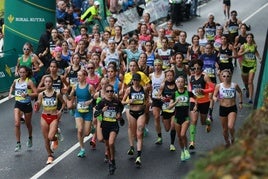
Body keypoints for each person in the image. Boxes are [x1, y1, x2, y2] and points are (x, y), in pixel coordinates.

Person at [34, 75, 66, 164]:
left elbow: (64, 103)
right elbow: (38, 105)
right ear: (44, 83)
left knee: (50, 137)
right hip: (44, 116)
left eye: (49, 82)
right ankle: (49, 155)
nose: (48, 83)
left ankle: (55, 137)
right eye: (46, 82)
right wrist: (36, 105)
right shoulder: (41, 94)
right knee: (46, 139)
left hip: (53, 117)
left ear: (52, 83)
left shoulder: (57, 93)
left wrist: (60, 111)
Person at [95, 84, 124, 175]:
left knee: (111, 142)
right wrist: (102, 111)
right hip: (105, 126)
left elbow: (120, 109)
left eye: (111, 91)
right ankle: (111, 162)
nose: (110, 93)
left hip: (114, 126)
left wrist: (119, 115)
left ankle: (112, 160)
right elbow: (95, 114)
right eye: (107, 91)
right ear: (105, 92)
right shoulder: (102, 102)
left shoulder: (117, 102)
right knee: (107, 146)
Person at [8, 66, 38, 152]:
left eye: (23, 72)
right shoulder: (15, 81)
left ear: (27, 73)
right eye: (20, 72)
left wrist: (28, 95)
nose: (22, 74)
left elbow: (36, 93)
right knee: (17, 123)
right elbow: (12, 87)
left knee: (28, 124)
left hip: (27, 104)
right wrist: (10, 94)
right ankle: (18, 143)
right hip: (18, 104)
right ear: (18, 72)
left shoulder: (29, 82)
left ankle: (30, 137)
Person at [122, 73, 148, 167]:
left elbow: (147, 98)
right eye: (134, 80)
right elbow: (122, 101)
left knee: (139, 134)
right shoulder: (129, 90)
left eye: (137, 80)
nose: (136, 82)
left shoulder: (143, 89)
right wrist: (128, 101)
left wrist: (146, 104)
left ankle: (138, 156)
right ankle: (133, 146)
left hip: (141, 113)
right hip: (132, 113)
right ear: (132, 80)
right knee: (134, 134)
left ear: (140, 81)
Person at [67, 70, 96, 157]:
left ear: (85, 77)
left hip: (88, 112)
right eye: (77, 76)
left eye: (80, 76)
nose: (78, 77)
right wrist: (66, 94)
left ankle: (91, 128)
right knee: (79, 130)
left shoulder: (90, 87)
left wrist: (89, 102)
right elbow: (70, 97)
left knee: (86, 133)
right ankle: (82, 149)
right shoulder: (75, 87)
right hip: (79, 111)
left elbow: (95, 98)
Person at [188, 59, 215, 149]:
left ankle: (208, 122)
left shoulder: (205, 77)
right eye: (194, 68)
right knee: (194, 121)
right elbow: (190, 90)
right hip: (194, 101)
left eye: (198, 68)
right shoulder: (191, 78)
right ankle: (192, 142)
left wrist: (204, 91)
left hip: (204, 101)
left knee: (202, 122)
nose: (196, 70)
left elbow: (213, 88)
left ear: (201, 68)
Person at [213, 69, 243, 147]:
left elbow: (240, 92)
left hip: (232, 108)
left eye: (228, 76)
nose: (226, 78)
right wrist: (215, 98)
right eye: (224, 76)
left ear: (230, 77)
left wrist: (240, 102)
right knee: (225, 129)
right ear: (221, 77)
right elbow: (214, 95)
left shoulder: (234, 85)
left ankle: (232, 137)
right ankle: (227, 141)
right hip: (223, 109)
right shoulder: (219, 86)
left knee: (230, 126)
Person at [169, 76, 192, 161]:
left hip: (186, 118)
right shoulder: (174, 94)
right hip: (176, 118)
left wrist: (195, 106)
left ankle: (186, 149)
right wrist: (176, 102)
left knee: (183, 134)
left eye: (182, 82)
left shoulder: (188, 93)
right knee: (179, 136)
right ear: (176, 83)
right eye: (178, 82)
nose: (180, 83)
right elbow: (169, 107)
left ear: (184, 83)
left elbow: (196, 99)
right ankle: (182, 151)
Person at [238, 33, 262, 104]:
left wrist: (259, 58)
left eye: (251, 37)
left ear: (252, 39)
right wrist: (245, 52)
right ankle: (247, 89)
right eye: (248, 37)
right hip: (245, 65)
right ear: (246, 39)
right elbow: (238, 54)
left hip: (252, 65)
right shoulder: (243, 46)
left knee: (250, 81)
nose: (249, 39)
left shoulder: (254, 46)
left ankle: (250, 98)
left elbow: (256, 52)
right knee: (246, 82)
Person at [157, 70, 177, 150]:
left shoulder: (176, 85)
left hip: (175, 109)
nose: (169, 77)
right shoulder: (163, 85)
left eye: (171, 75)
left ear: (173, 76)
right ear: (166, 77)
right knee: (167, 128)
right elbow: (158, 95)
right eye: (168, 75)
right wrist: (161, 98)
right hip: (165, 109)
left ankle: (172, 144)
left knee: (173, 126)